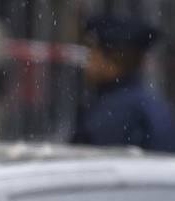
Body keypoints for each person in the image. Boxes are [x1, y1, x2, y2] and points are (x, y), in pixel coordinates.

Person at [71, 14, 175, 152]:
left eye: (92, 53)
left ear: (112, 61)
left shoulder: (115, 109)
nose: (88, 62)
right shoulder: (150, 102)